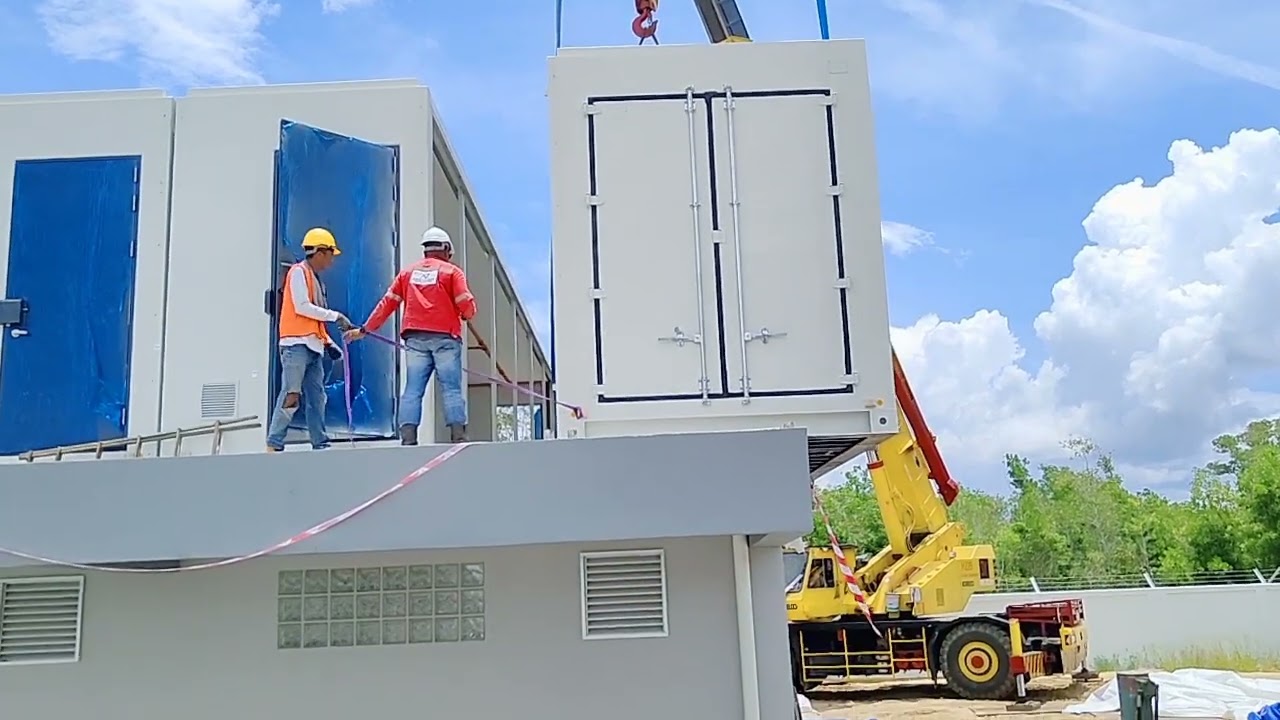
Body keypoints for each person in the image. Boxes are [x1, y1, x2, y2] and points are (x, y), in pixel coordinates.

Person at [345, 226, 476, 445]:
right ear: (446, 249)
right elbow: (466, 304)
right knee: (451, 389)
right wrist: (467, 313)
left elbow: (387, 304)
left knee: (413, 389)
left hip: (415, 340)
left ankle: (408, 438)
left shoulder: (407, 274)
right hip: (445, 339)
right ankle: (458, 436)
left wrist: (365, 329)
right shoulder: (452, 272)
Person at [266, 227, 353, 453]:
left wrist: (329, 344)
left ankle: (320, 443)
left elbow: (315, 323)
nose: (331, 261)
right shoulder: (298, 272)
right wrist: (336, 316)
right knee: (291, 393)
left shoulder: (317, 281)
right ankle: (274, 444)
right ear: (320, 252)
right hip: (295, 345)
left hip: (312, 346)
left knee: (317, 397)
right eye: (330, 255)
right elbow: (303, 307)